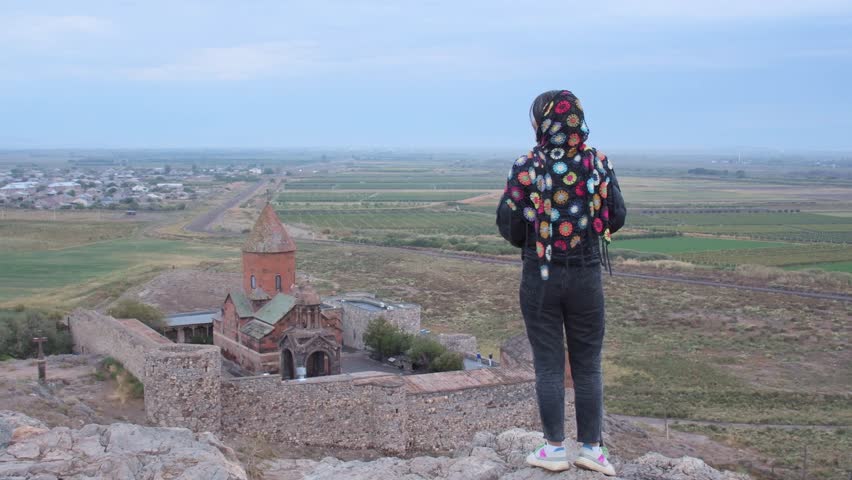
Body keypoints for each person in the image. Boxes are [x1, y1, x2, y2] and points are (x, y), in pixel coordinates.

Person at [496, 90, 626, 475]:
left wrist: (539, 238)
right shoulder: (598, 164)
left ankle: (553, 449)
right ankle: (592, 450)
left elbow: (510, 225)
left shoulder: (526, 167)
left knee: (549, 365)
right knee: (588, 366)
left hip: (541, 274)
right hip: (586, 274)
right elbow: (616, 215)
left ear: (541, 122)